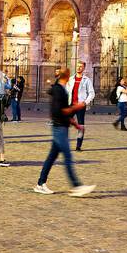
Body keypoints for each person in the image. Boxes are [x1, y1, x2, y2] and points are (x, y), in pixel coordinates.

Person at [34, 67, 95, 196]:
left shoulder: (61, 89)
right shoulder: (58, 90)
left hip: (62, 126)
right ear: (66, 76)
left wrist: (75, 124)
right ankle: (76, 186)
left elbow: (64, 110)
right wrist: (76, 106)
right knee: (68, 157)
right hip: (59, 127)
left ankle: (40, 183)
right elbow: (59, 111)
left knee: (51, 157)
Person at [71, 61, 95, 150]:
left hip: (80, 105)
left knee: (81, 125)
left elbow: (92, 93)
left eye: (81, 66)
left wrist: (85, 102)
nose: (79, 68)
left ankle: (78, 145)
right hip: (71, 105)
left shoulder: (87, 80)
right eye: (77, 66)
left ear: (84, 68)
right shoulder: (71, 79)